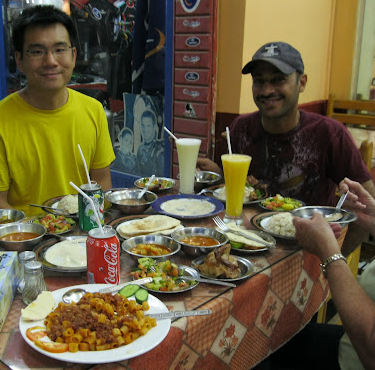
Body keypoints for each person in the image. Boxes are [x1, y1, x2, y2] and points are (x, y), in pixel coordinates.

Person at [0, 5, 115, 216]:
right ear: (19, 60)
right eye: (37, 51)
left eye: (59, 49)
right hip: (26, 241)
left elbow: (101, 181)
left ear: (74, 55)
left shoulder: (93, 110)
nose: (50, 61)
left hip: (83, 235)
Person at [197, 42, 375, 207]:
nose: (266, 91)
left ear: (302, 83)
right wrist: (217, 176)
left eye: (278, 79)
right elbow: (236, 188)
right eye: (259, 80)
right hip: (245, 236)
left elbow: (367, 205)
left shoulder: (329, 133)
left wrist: (336, 242)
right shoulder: (241, 128)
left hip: (306, 238)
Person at [261, 177, 375, 369]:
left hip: (354, 359)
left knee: (264, 346)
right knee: (275, 337)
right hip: (351, 343)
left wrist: (328, 250)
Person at [136, 110, 164, 176]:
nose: (145, 129)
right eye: (143, 125)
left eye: (148, 126)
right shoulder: (140, 149)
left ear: (154, 127)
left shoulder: (159, 151)